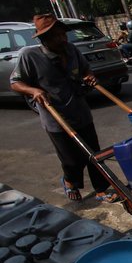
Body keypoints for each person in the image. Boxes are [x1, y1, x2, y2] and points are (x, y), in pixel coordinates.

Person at [10, 13, 119, 203]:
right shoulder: (30, 55)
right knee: (71, 160)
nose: (62, 39)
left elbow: (85, 69)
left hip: (80, 111)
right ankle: (70, 181)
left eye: (63, 34)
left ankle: (101, 189)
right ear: (43, 38)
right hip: (56, 118)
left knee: (94, 153)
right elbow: (15, 83)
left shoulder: (72, 50)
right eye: (56, 36)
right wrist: (33, 90)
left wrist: (89, 76)